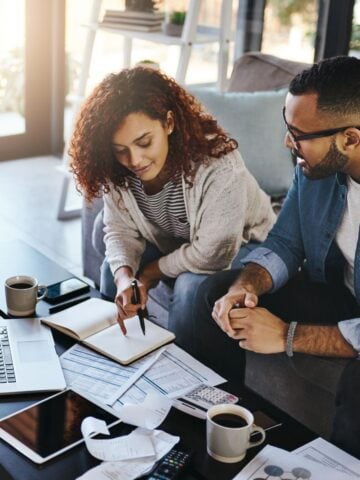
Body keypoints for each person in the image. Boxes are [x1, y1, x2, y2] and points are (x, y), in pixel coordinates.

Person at [193, 55, 360, 457]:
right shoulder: (315, 171)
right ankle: (223, 426)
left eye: (298, 134)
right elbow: (286, 243)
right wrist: (246, 286)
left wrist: (286, 336)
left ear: (351, 138)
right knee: (216, 293)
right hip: (340, 292)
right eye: (288, 128)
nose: (288, 142)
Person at [69, 66, 275, 350]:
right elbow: (118, 228)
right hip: (179, 239)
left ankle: (190, 381)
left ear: (168, 123)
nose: (134, 159)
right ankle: (116, 354)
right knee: (111, 271)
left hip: (245, 244)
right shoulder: (118, 166)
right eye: (120, 149)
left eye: (144, 142)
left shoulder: (220, 166)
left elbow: (211, 253)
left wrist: (149, 274)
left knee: (192, 289)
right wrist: (125, 277)